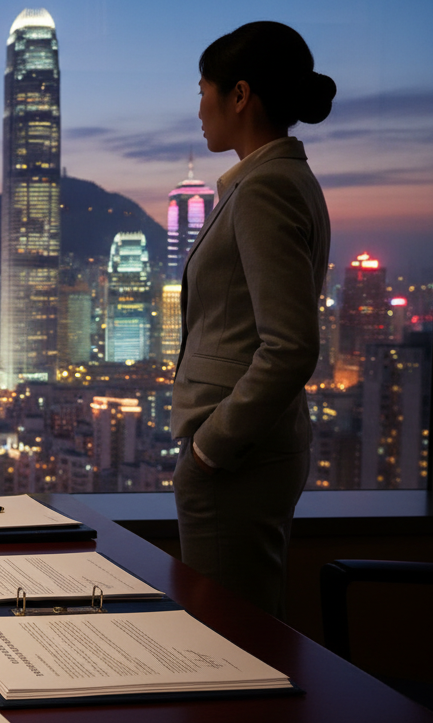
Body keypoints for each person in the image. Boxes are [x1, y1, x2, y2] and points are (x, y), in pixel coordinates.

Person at [171, 21, 336, 617]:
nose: (199, 109)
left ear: (239, 95)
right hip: (250, 452)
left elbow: (290, 346)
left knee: (227, 637)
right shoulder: (278, 179)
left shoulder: (267, 187)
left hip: (238, 456)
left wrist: (210, 450)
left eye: (203, 91)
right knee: (238, 626)